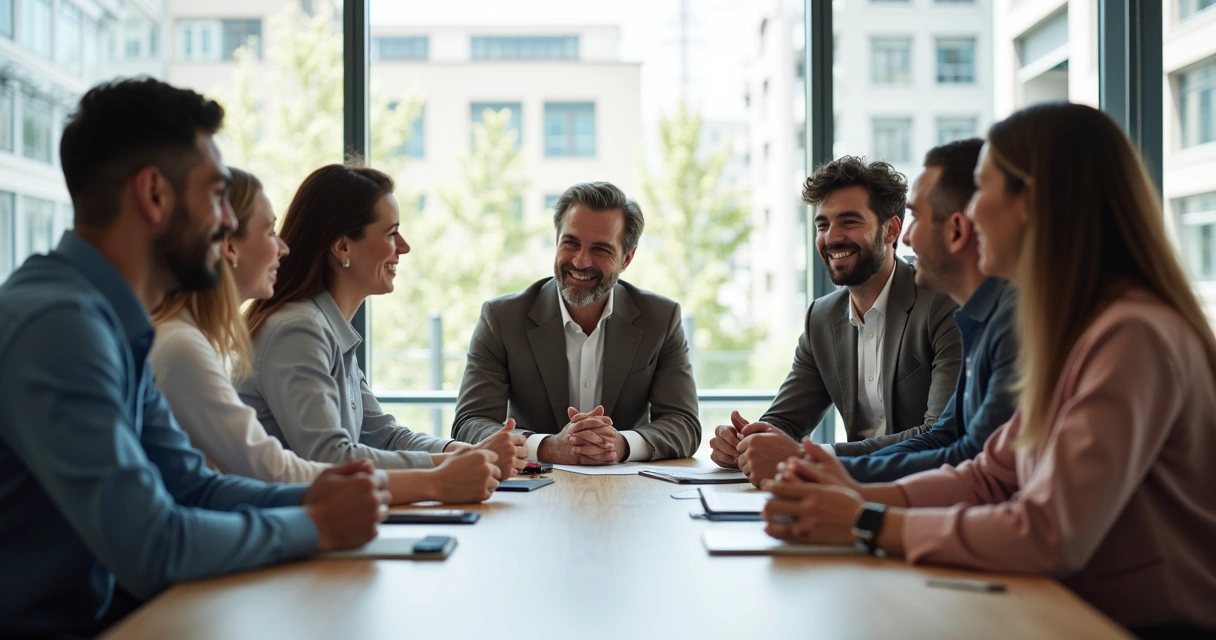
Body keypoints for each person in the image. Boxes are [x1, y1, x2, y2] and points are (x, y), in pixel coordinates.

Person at [761, 103, 1216, 634]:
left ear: (1034, 204)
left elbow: (1047, 531)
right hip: (1066, 609)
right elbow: (991, 474)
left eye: (983, 191)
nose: (969, 217)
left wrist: (865, 519)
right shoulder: (1078, 327)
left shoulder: (1132, 335)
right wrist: (847, 495)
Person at [0, 78, 387, 638]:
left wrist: (314, 494)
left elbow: (192, 485)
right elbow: (152, 544)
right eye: (213, 195)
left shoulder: (111, 322)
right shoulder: (61, 328)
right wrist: (316, 523)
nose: (227, 222)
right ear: (154, 195)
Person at [149, 167, 501, 504]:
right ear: (228, 244)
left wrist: (460, 456)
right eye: (270, 232)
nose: (282, 248)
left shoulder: (320, 329)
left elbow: (380, 436)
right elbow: (294, 466)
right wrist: (439, 477)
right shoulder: (290, 329)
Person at [238, 163, 526, 478]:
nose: (404, 247)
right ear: (342, 246)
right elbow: (329, 456)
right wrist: (451, 466)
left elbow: (384, 436)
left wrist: (466, 453)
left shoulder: (327, 328)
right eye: (391, 234)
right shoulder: (298, 330)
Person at [711, 156, 962, 485]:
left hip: (925, 495)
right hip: (846, 494)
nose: (831, 238)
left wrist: (814, 457)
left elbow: (942, 435)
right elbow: (785, 422)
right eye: (822, 225)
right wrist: (747, 442)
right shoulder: (822, 317)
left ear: (892, 229)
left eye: (849, 221)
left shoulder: (942, 304)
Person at [451, 181, 700, 464]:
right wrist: (546, 448)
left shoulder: (661, 319)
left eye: (601, 250)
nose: (581, 262)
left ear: (626, 259)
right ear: (556, 241)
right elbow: (470, 424)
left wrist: (620, 445)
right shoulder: (501, 318)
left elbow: (684, 424)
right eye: (571, 243)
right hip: (532, 491)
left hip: (629, 493)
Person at [836, 139, 1018, 482]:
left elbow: (971, 459)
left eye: (916, 217)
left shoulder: (1011, 323)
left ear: (958, 230)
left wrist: (834, 475)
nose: (906, 238)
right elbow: (945, 437)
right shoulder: (979, 317)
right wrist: (826, 468)